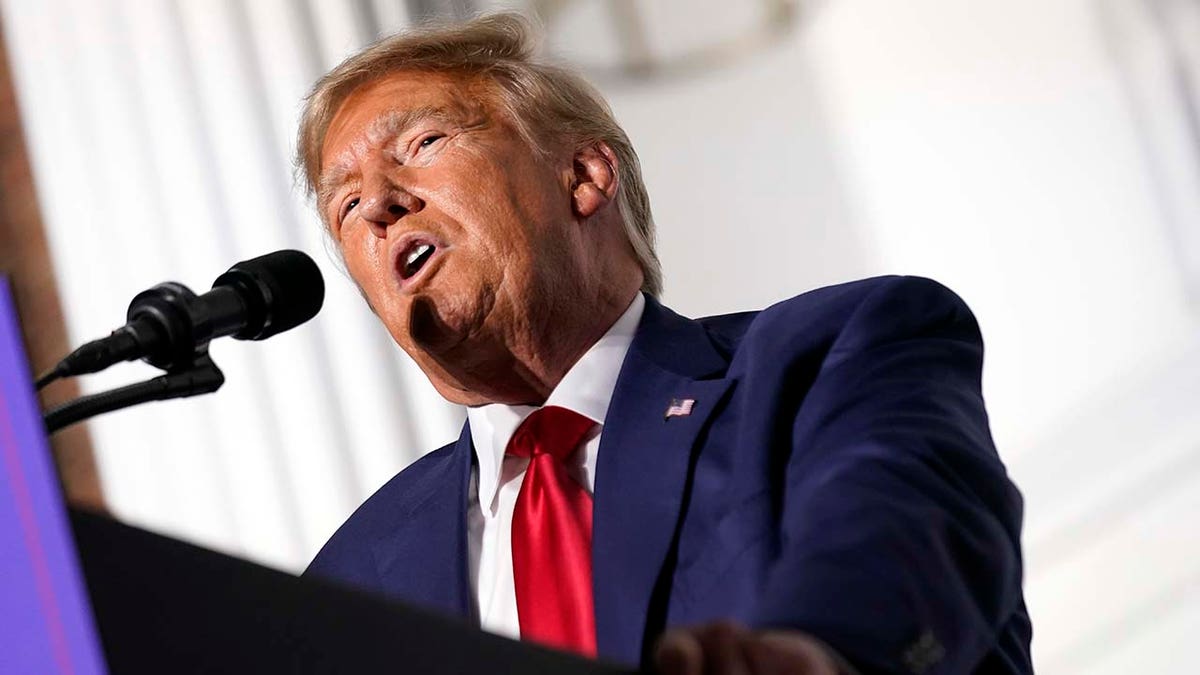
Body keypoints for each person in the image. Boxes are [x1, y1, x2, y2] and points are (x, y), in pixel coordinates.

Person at [297, 13, 1032, 675]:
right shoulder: (347, 581)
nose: (380, 208)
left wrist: (812, 653)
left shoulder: (827, 358)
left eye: (422, 143)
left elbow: (905, 530)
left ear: (584, 175)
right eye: (346, 204)